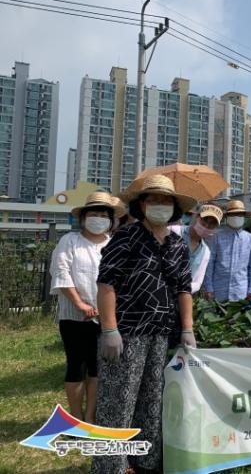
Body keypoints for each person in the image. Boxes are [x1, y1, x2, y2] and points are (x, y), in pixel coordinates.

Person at [94, 175, 197, 474]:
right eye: (153, 199)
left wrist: (187, 329)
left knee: (153, 398)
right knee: (118, 400)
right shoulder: (127, 237)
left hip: (162, 333)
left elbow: (184, 288)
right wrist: (109, 329)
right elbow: (106, 284)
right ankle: (110, 465)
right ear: (141, 204)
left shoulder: (177, 244)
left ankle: (145, 461)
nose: (160, 205)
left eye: (166, 200)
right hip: (128, 333)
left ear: (174, 207)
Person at [49, 192, 124, 423]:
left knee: (97, 368)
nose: (98, 218)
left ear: (111, 221)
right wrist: (80, 304)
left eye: (104, 215)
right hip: (74, 317)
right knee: (76, 366)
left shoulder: (114, 245)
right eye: (94, 213)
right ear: (83, 217)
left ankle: (90, 417)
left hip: (106, 318)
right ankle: (76, 416)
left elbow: (121, 280)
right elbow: (61, 273)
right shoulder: (69, 241)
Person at [204, 200, 251, 302]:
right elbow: (210, 263)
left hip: (241, 292)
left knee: (238, 318)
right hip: (218, 291)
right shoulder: (217, 237)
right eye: (233, 214)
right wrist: (209, 287)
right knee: (216, 317)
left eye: (239, 214)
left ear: (244, 217)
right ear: (227, 217)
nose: (236, 217)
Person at [171, 204, 223, 296]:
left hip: (181, 297)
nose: (207, 225)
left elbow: (197, 282)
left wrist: (183, 289)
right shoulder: (174, 231)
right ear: (196, 216)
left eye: (212, 224)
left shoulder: (206, 251)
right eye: (204, 220)